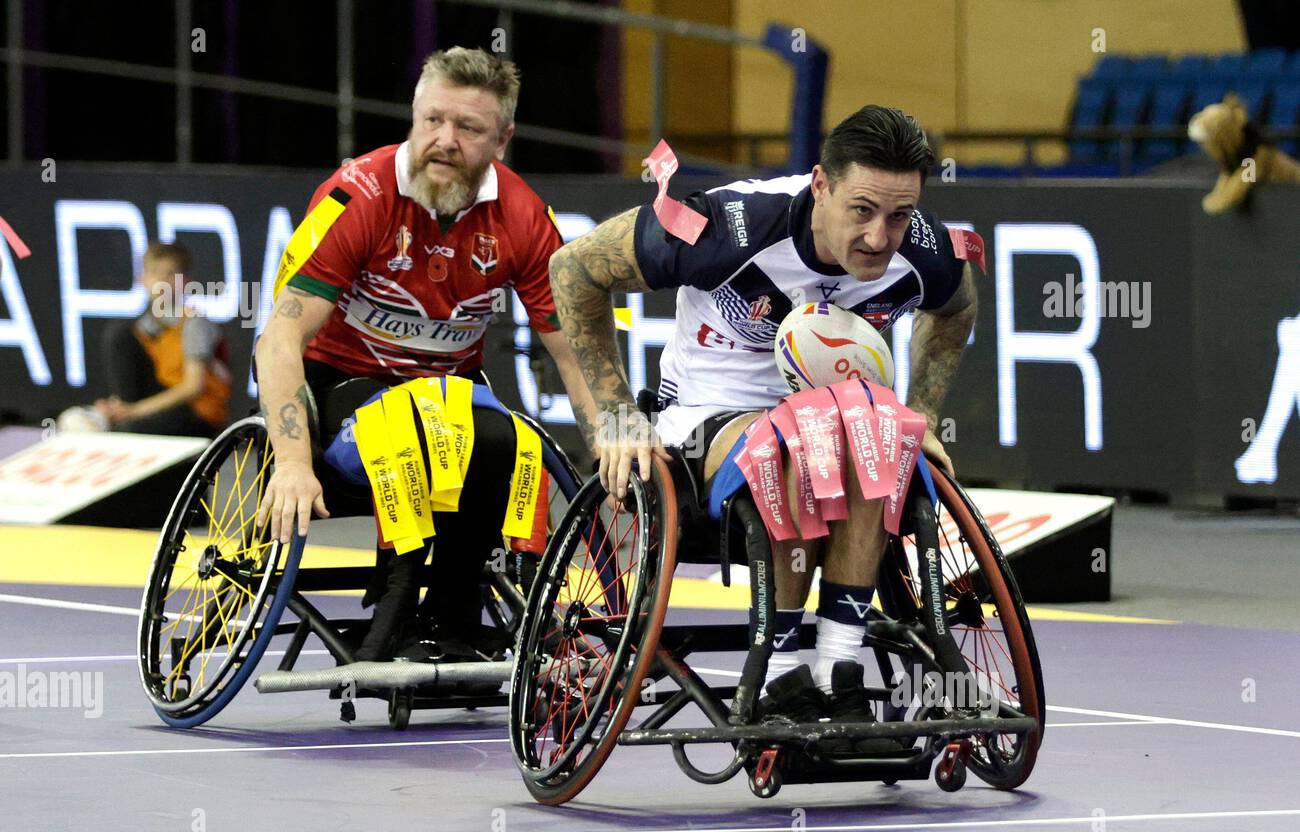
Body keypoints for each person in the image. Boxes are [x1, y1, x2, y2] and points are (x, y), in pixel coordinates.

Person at [549, 105, 978, 729]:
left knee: (873, 433)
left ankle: (836, 668)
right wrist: (615, 417)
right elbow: (574, 269)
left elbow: (957, 309)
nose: (881, 237)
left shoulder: (924, 246)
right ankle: (780, 676)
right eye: (862, 210)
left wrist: (922, 415)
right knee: (803, 440)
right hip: (703, 418)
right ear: (821, 186)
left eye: (899, 215)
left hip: (837, 418)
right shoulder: (725, 226)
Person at [254, 47, 597, 660]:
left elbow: (573, 353)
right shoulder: (356, 196)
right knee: (410, 430)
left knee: (509, 441)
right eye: (433, 120)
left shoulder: (522, 216)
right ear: (413, 116)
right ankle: (395, 602)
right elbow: (278, 339)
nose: (445, 140)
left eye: (469, 128)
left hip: (447, 399)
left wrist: (612, 440)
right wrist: (291, 462)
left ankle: (452, 618)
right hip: (339, 388)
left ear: (503, 138)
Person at [64, 241, 231, 437]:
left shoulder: (194, 322)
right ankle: (116, 411)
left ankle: (124, 418)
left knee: (129, 430)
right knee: (119, 334)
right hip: (163, 401)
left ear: (186, 281)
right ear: (142, 279)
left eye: (170, 274)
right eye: (155, 272)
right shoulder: (143, 327)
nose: (162, 281)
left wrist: (135, 411)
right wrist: (117, 407)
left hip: (198, 413)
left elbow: (193, 387)